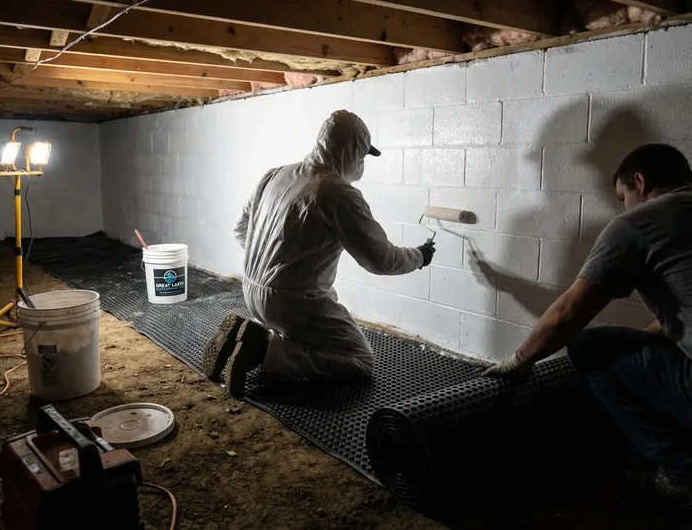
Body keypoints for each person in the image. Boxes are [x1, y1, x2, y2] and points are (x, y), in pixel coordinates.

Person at [484, 143, 692, 503]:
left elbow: (570, 314)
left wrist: (518, 361)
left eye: (621, 196)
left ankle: (680, 474)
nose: (622, 206)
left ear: (639, 182)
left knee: (588, 344)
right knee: (638, 343)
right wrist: (643, 343)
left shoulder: (639, 223)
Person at [201, 110, 436, 397]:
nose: (361, 164)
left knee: (315, 321)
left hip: (250, 292)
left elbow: (241, 229)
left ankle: (243, 336)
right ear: (351, 151)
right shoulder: (340, 194)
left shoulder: (275, 175)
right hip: (293, 304)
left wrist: (276, 262)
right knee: (359, 360)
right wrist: (419, 256)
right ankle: (262, 349)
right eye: (361, 155)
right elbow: (381, 260)